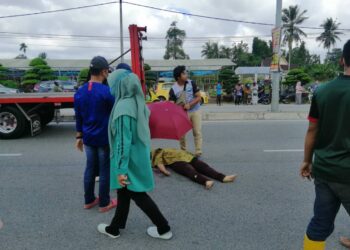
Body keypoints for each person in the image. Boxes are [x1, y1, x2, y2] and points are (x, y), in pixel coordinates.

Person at [97, 66, 172, 240]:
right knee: (124, 193)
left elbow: (123, 142)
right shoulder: (136, 101)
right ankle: (114, 228)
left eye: (112, 84)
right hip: (137, 155)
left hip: (128, 160)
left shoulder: (123, 107)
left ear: (120, 86)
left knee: (137, 194)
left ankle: (163, 227)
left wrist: (121, 169)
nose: (111, 88)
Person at [300, 40, 350, 250]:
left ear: (342, 60)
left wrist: (306, 161)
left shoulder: (322, 91)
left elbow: (313, 130)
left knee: (320, 222)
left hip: (325, 170)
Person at [74, 56, 117, 213]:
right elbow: (115, 113)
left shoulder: (80, 92)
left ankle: (89, 200)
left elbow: (78, 117)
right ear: (104, 71)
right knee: (104, 170)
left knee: (90, 168)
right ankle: (104, 203)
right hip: (103, 137)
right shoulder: (107, 92)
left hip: (88, 138)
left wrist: (79, 137)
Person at [152, 148, 237, 189]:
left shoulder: (157, 152)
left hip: (179, 159)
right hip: (185, 158)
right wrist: (165, 171)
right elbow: (159, 164)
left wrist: (165, 172)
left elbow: (159, 163)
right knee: (198, 168)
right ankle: (209, 180)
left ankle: (222, 178)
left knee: (194, 169)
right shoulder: (161, 151)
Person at [169, 65, 203, 157]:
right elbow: (172, 103)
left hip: (195, 110)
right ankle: (183, 151)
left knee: (197, 131)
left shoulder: (191, 83)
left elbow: (199, 97)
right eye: (184, 73)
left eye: (186, 72)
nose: (186, 74)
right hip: (182, 113)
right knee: (182, 134)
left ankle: (198, 151)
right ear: (178, 77)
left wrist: (190, 104)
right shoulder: (173, 89)